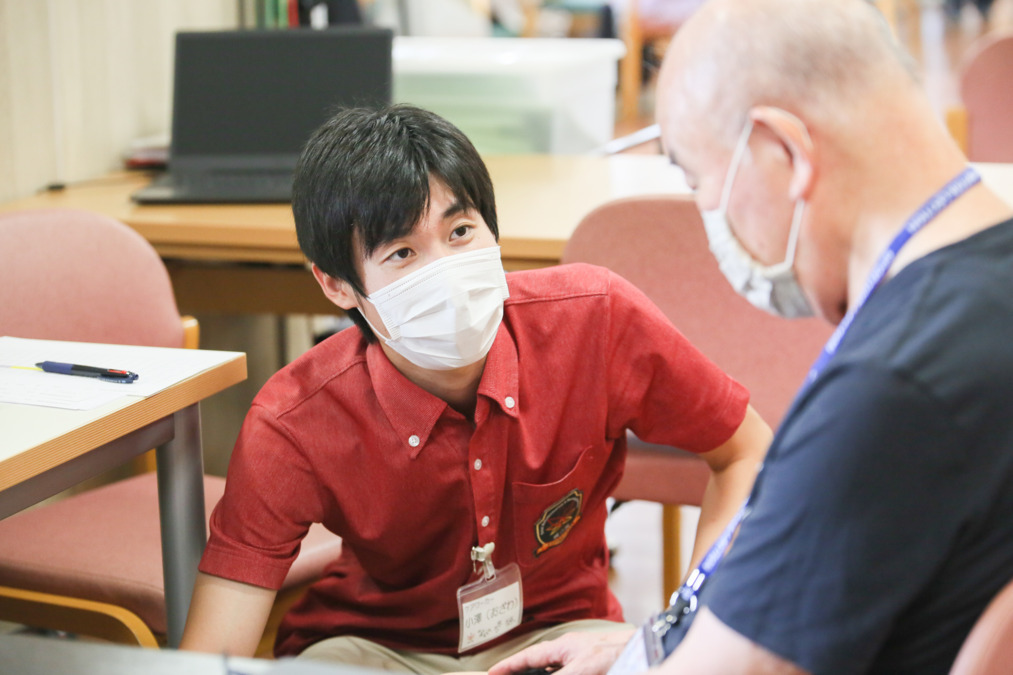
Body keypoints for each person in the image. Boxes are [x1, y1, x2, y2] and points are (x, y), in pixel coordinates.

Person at [489, 0, 1013, 673]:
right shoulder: (970, 312)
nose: (709, 214)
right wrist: (650, 648)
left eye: (698, 178)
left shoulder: (893, 389)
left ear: (782, 152)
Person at [178, 104, 771, 671]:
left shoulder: (596, 318)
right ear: (336, 286)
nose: (447, 272)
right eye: (404, 252)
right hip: (376, 646)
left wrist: (685, 629)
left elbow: (745, 449)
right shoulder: (295, 421)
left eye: (461, 231)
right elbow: (214, 645)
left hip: (564, 631)